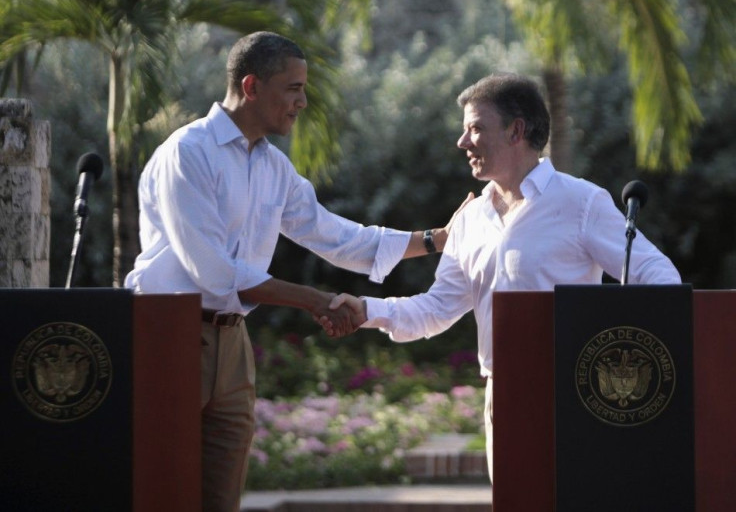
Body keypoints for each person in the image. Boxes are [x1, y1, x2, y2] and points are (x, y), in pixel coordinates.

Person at [124, 31, 470, 512]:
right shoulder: (187, 153)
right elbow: (212, 271)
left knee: (221, 500)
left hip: (232, 344)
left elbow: (337, 236)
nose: (303, 102)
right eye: (293, 88)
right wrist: (313, 300)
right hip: (167, 336)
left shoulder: (273, 167)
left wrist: (435, 240)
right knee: (163, 494)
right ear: (251, 87)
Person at [327, 72, 682, 485]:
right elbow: (436, 309)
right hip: (503, 393)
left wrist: (639, 344)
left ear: (517, 130)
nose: (463, 143)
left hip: (580, 392)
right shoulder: (470, 220)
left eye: (475, 128)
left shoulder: (581, 201)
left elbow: (656, 272)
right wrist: (365, 309)